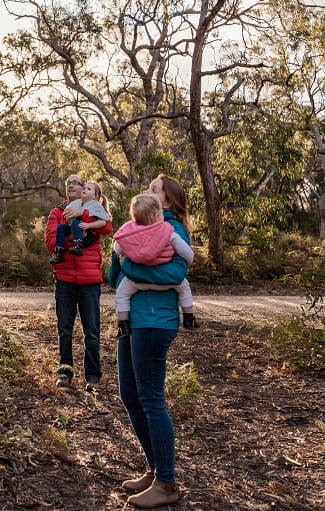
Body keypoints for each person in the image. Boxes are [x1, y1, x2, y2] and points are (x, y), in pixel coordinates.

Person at [106, 173, 192, 508]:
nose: (147, 192)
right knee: (130, 394)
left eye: (154, 190)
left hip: (156, 321)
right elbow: (114, 278)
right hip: (133, 321)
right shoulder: (133, 228)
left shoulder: (172, 231)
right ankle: (155, 468)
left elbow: (175, 274)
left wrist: (132, 269)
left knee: (151, 398)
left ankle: (167, 482)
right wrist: (118, 255)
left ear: (167, 201)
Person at [45, 174, 113, 391]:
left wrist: (82, 214)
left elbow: (106, 227)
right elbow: (50, 241)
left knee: (91, 331)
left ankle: (93, 377)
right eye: (67, 183)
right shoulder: (57, 211)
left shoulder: (93, 208)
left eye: (76, 183)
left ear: (84, 189)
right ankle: (65, 373)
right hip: (64, 279)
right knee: (64, 330)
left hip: (89, 280)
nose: (71, 185)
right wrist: (76, 234)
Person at [112, 193, 195, 338]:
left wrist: (125, 253)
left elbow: (118, 248)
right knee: (184, 287)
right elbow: (186, 252)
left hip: (137, 282)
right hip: (167, 282)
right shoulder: (168, 231)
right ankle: (189, 318)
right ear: (157, 214)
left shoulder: (132, 231)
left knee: (122, 294)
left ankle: (123, 325)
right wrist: (188, 260)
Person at [51, 180, 110, 264]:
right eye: (84, 188)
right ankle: (59, 252)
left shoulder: (96, 205)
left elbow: (104, 223)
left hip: (88, 236)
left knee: (76, 222)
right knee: (61, 227)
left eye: (89, 189)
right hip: (75, 230)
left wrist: (88, 225)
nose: (85, 189)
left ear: (96, 197)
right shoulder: (77, 203)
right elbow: (67, 212)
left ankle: (78, 246)